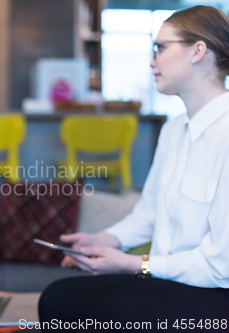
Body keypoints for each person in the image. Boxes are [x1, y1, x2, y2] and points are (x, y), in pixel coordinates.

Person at [38, 5, 229, 331]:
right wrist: (105, 240)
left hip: (215, 297)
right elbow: (148, 214)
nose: (152, 60)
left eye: (161, 48)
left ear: (198, 51)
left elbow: (220, 266)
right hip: (169, 283)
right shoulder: (173, 130)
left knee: (62, 301)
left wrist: (133, 264)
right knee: (58, 297)